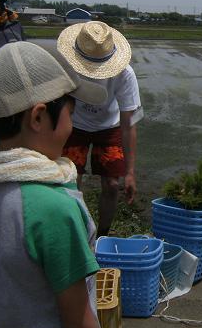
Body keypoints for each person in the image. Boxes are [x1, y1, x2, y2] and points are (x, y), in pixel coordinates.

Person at [0, 41, 123, 328]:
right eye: (70, 111)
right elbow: (80, 326)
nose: (73, 124)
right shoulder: (52, 208)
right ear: (38, 116)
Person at [59, 21, 142, 237]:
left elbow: (128, 124)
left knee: (113, 184)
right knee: (69, 180)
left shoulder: (125, 74)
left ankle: (103, 234)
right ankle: (78, 232)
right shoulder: (67, 66)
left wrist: (130, 172)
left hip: (109, 125)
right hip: (75, 122)